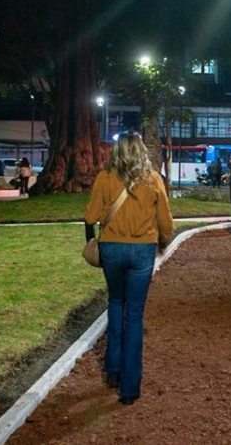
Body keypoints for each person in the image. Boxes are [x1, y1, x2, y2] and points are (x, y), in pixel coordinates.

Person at [83, 133, 173, 406]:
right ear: (141, 150)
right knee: (134, 315)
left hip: (111, 248)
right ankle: (130, 388)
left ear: (117, 150)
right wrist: (164, 242)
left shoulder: (105, 177)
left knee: (115, 302)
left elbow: (90, 216)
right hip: (141, 249)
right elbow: (165, 221)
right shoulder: (153, 178)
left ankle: (112, 369)